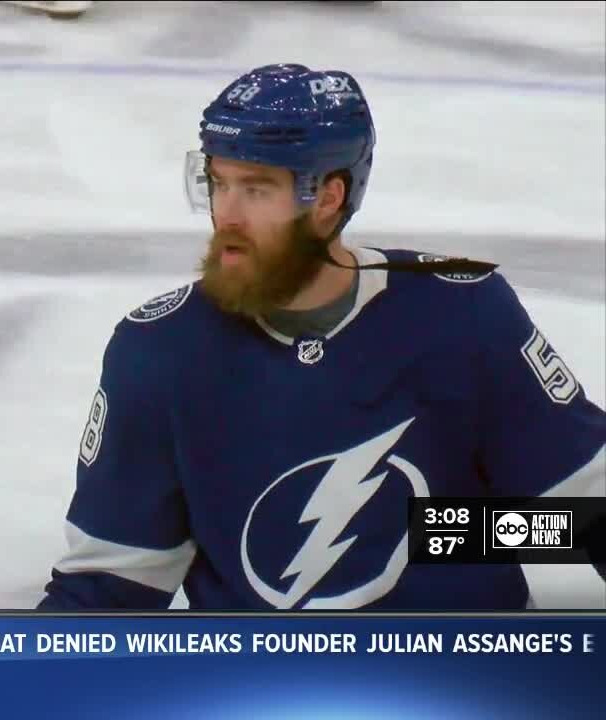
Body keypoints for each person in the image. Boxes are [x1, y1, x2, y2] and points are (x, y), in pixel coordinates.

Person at [37, 63, 606, 610]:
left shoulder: (459, 313)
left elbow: (587, 515)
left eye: (257, 189)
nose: (227, 215)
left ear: (328, 197)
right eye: (218, 183)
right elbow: (112, 586)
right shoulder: (161, 351)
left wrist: (442, 539)